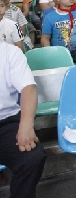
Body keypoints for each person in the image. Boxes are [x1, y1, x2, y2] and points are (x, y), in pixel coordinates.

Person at [0, 41, 47, 198]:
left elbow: (28, 87)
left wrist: (26, 125)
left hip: (6, 121)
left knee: (32, 157)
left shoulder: (10, 52)